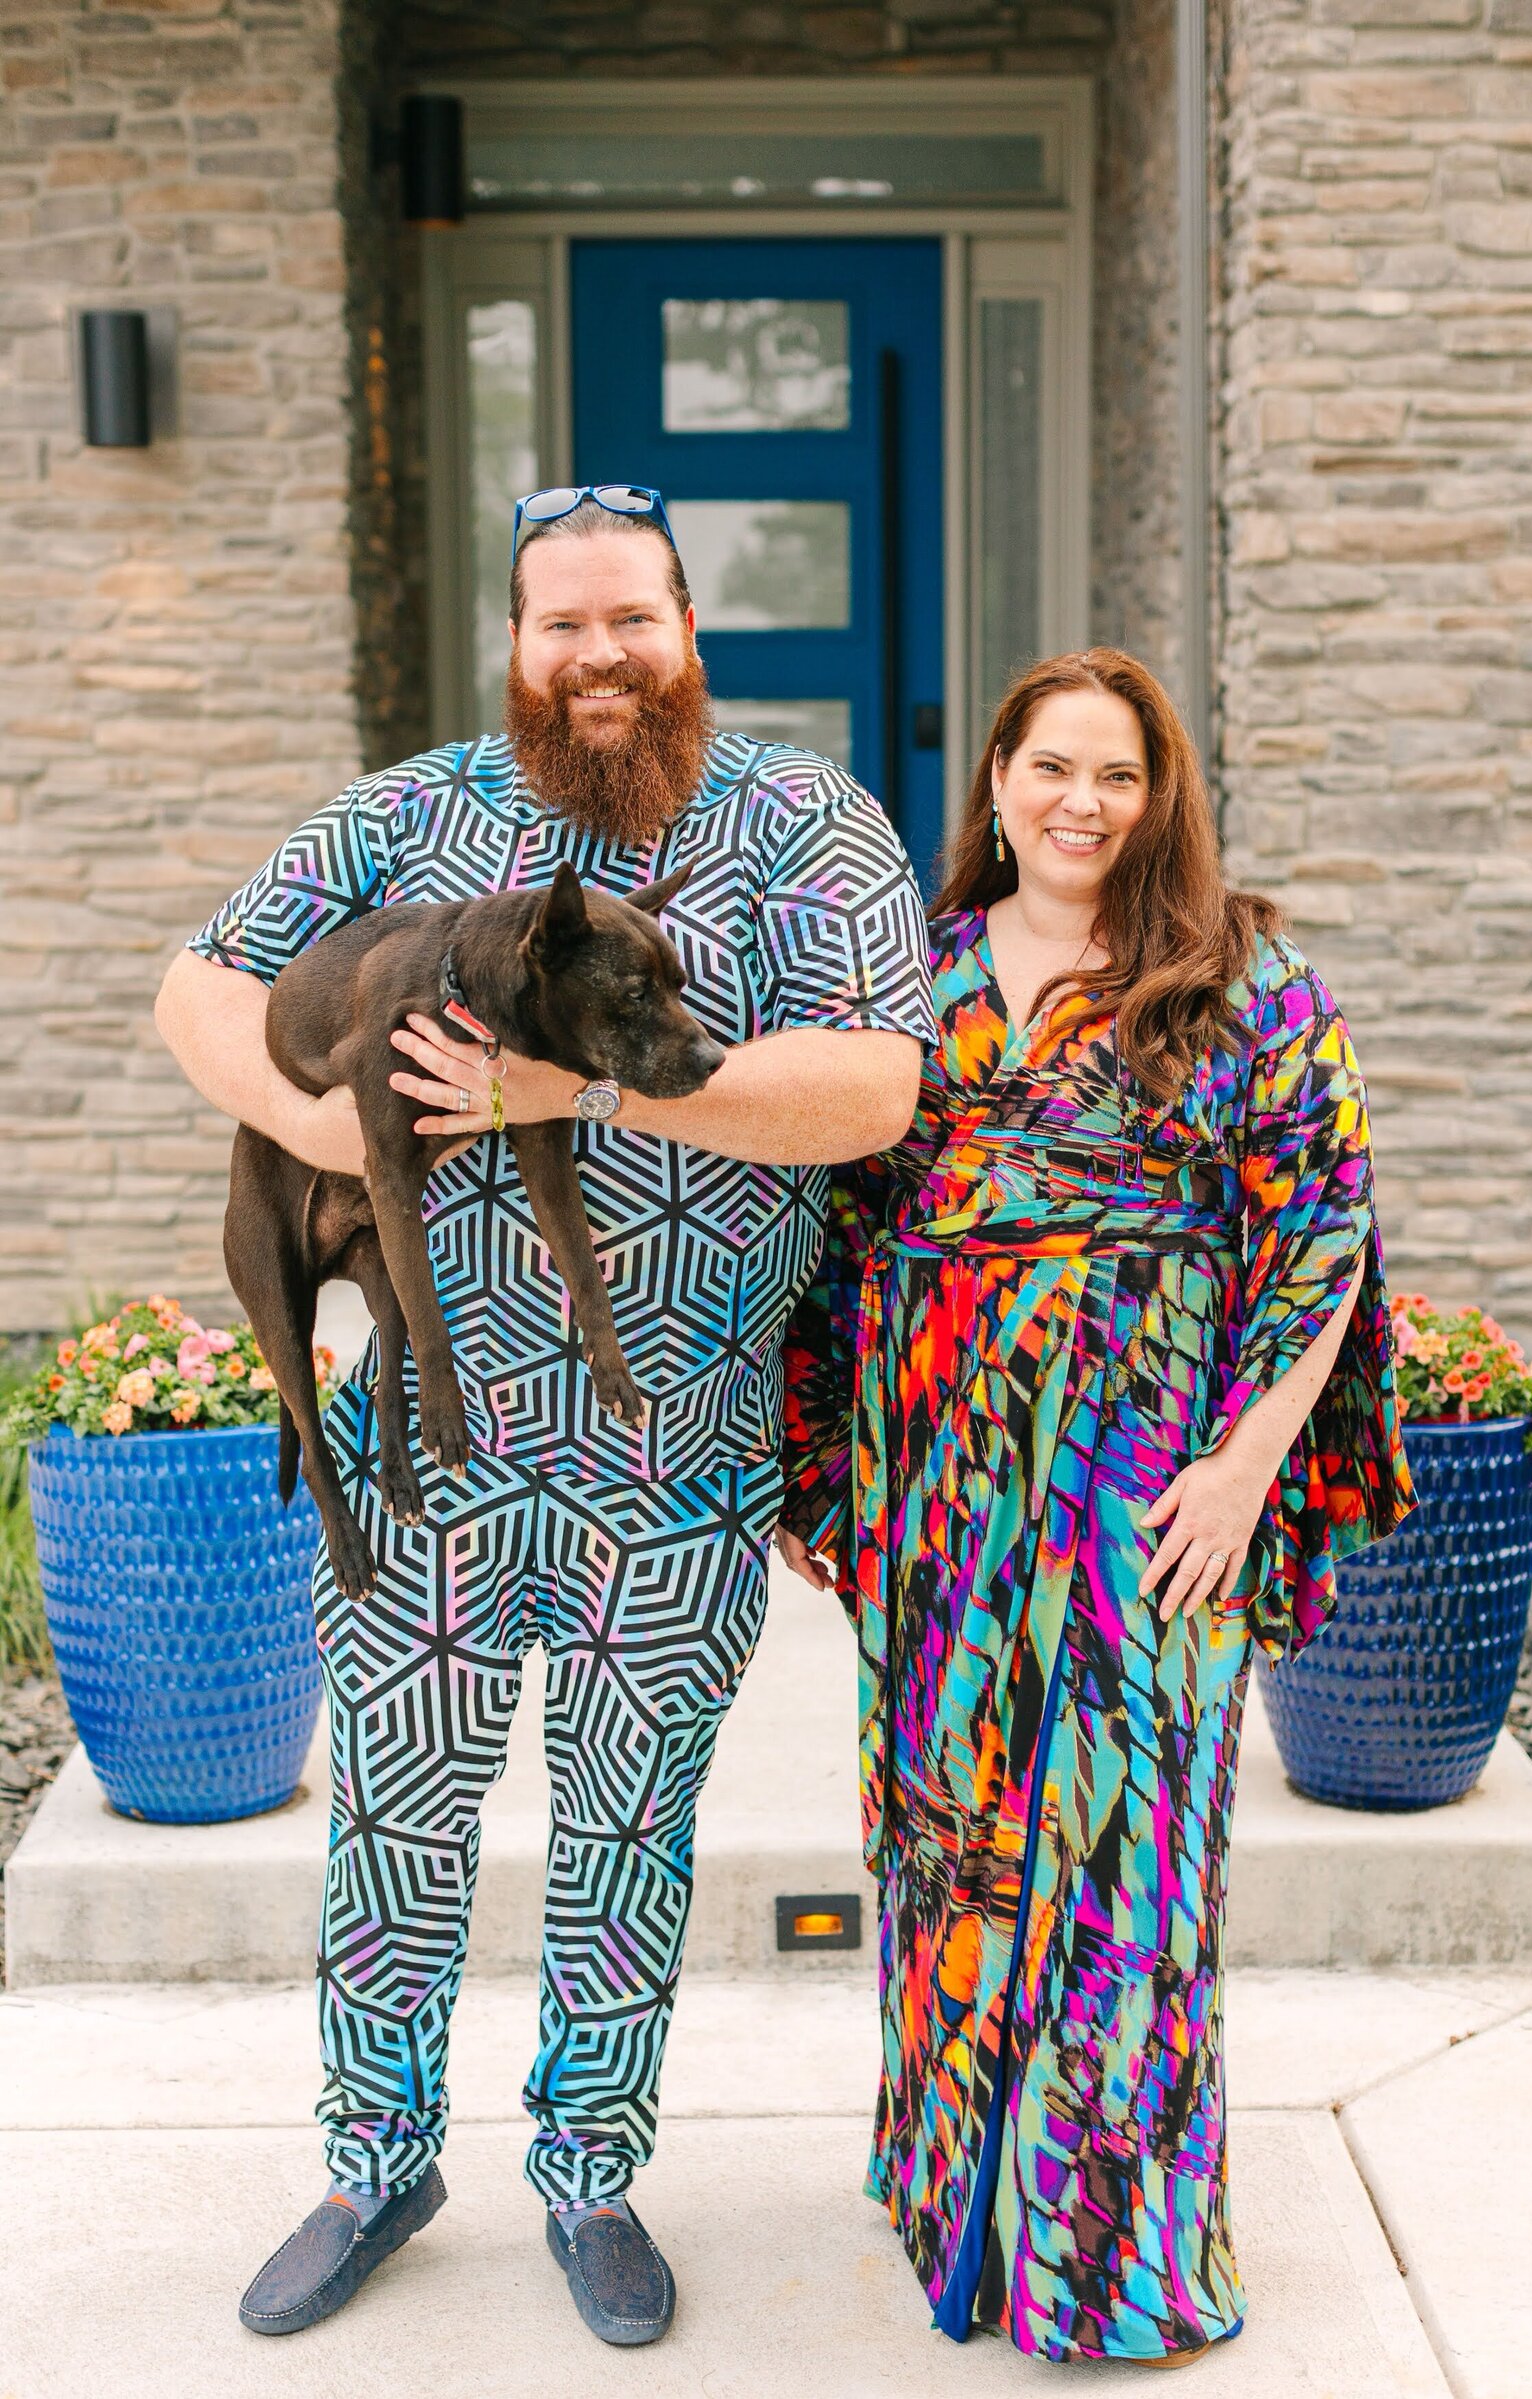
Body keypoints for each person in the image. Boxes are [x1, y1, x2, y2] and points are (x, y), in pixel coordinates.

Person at [155, 484, 934, 2346]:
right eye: (560, 626)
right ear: (518, 644)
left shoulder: (807, 828)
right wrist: (337, 1131)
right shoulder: (411, 812)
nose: (597, 659)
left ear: (689, 630)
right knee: (396, 1819)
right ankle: (376, 2158)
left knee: (628, 1827)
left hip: (678, 1453)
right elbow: (196, 985)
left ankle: (591, 2174)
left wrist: (571, 1098)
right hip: (423, 1453)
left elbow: (875, 1092)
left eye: (631, 623)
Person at [778, 647, 1413, 2368]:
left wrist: (1251, 1463)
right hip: (941, 1495)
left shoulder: (1240, 979)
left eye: (1117, 776)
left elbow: (1322, 1230)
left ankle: (1112, 2257)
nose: (1081, 802)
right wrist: (818, 1457)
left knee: (1131, 1857)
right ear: (995, 779)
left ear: (1159, 798)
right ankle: (956, 2210)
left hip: (1156, 1490)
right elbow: (831, 1246)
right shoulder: (898, 988)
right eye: (1052, 767)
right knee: (948, 1839)